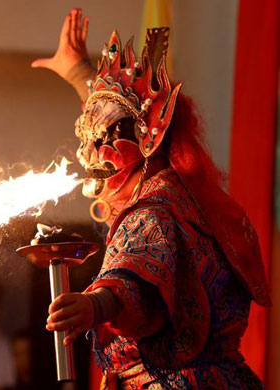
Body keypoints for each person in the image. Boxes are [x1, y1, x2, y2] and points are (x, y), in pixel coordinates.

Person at [31, 8, 271, 390]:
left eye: (103, 144)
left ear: (146, 143)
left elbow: (137, 278)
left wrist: (95, 306)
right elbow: (126, 118)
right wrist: (80, 73)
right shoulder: (184, 196)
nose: (93, 155)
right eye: (89, 141)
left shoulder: (153, 212)